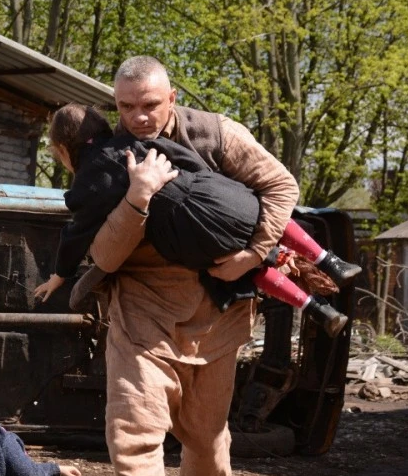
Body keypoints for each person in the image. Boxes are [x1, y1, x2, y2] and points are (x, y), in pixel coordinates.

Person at [77, 56, 310, 476]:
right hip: (141, 311)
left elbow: (281, 185)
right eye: (126, 107)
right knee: (133, 434)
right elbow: (103, 257)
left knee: (205, 440)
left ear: (172, 98)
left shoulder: (216, 135)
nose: (138, 117)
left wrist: (253, 254)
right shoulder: (105, 161)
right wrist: (137, 196)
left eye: (150, 105)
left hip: (216, 314)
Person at [33, 103, 360, 337]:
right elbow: (181, 155)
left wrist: (60, 275)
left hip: (190, 230)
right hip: (211, 193)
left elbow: (77, 233)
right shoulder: (134, 141)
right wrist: (208, 183)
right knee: (260, 211)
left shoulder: (85, 186)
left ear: (62, 150)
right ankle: (329, 260)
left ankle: (316, 309)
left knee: (243, 267)